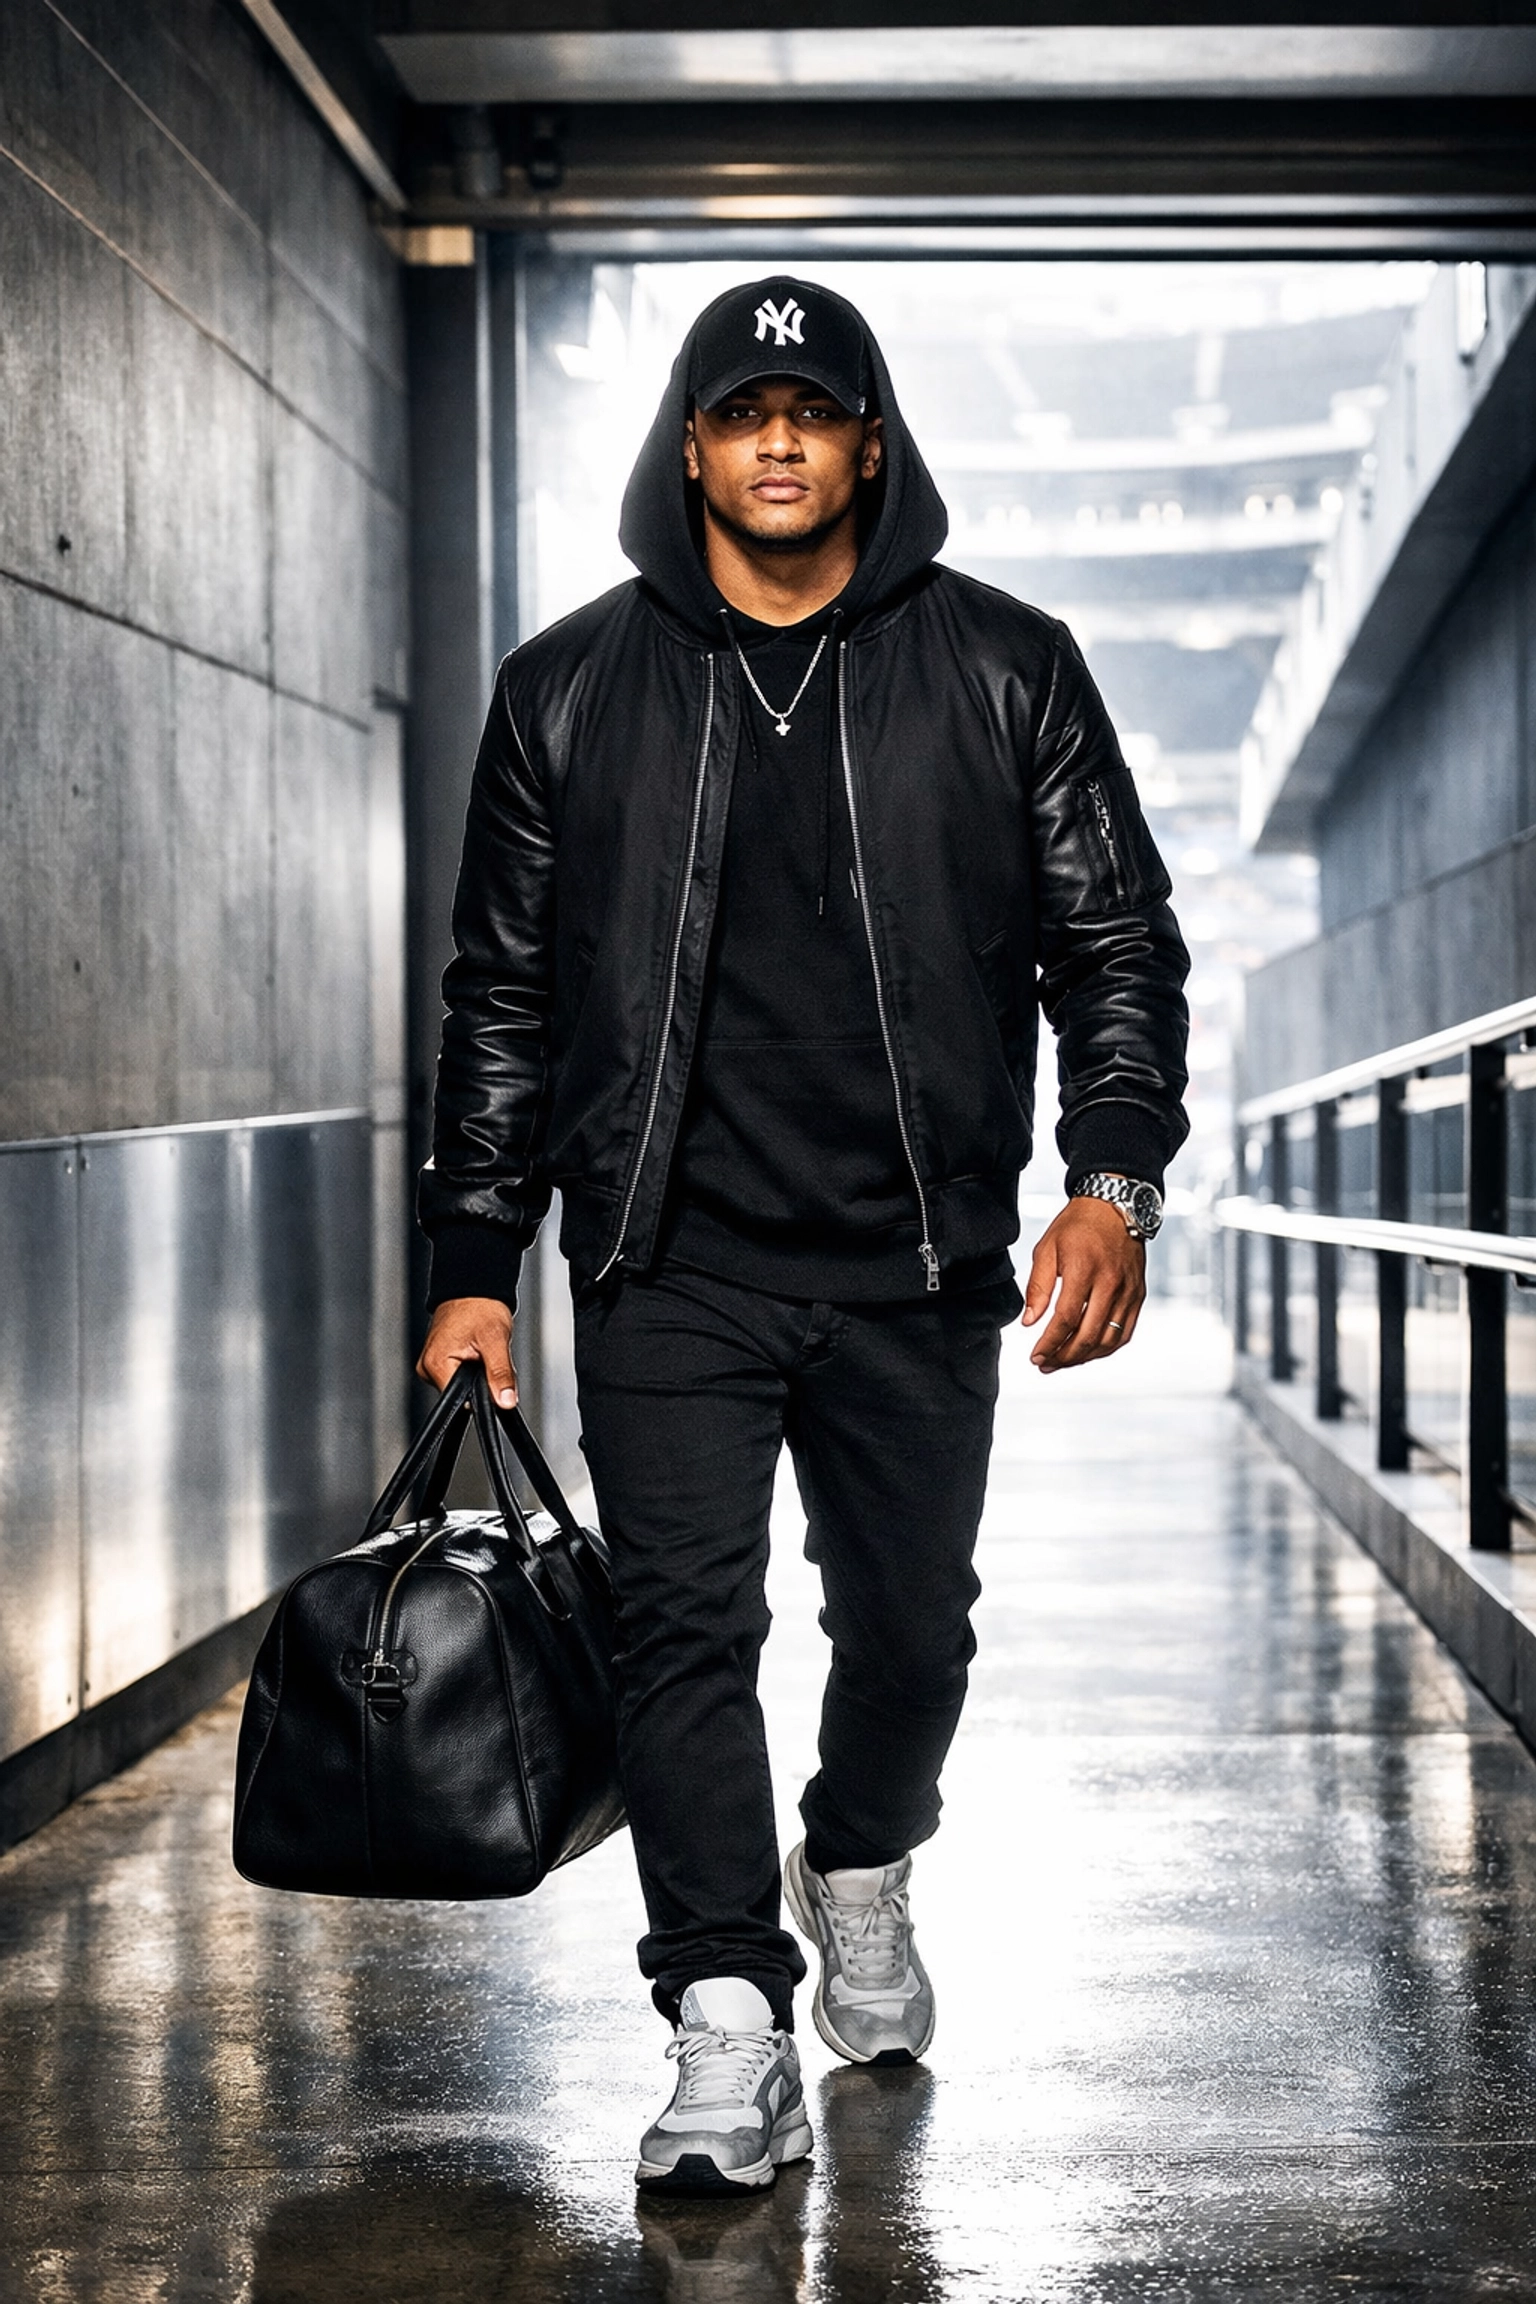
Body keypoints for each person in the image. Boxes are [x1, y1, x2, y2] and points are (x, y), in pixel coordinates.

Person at [417, 276, 1189, 2196]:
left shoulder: (1008, 665)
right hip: (664, 1255)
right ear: (690, 442)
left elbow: (1115, 948)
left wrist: (1114, 1175)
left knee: (913, 1631)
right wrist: (474, 1263)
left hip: (915, 1254)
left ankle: (856, 1857)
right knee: (685, 1629)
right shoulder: (569, 685)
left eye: (815, 408)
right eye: (741, 406)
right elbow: (501, 997)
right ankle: (723, 2019)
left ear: (869, 443)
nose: (777, 437)